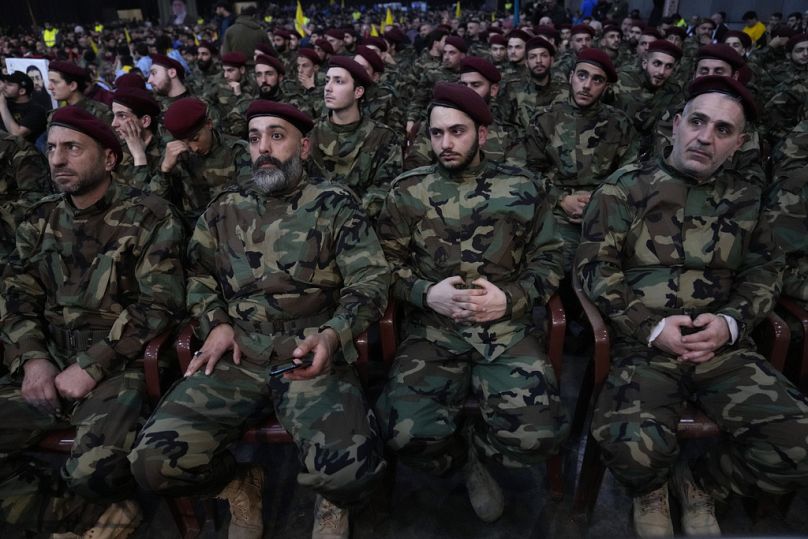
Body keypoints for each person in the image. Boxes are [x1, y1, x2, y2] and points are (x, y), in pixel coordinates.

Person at [129, 100, 389, 539]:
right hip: (239, 352)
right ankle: (239, 486)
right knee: (152, 464)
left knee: (351, 473)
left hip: (309, 354)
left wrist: (333, 335)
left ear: (303, 147)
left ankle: (333, 500)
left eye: (276, 136)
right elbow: (198, 274)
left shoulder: (335, 204)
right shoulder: (224, 207)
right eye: (253, 138)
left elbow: (371, 280)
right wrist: (217, 323)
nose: (263, 148)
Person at [576, 76, 808, 537]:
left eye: (723, 130)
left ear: (738, 143)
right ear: (677, 124)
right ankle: (651, 487)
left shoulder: (746, 199)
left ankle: (700, 483)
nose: (705, 137)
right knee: (630, 450)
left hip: (724, 350)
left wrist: (731, 323)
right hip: (643, 347)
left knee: (800, 446)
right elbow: (593, 269)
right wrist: (648, 327)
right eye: (698, 122)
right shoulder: (625, 189)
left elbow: (765, 271)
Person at [376, 82, 568, 523]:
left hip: (506, 329)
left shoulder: (521, 186)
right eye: (437, 133)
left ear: (482, 135)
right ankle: (464, 461)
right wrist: (426, 294)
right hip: (433, 330)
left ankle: (482, 441)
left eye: (457, 132)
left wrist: (513, 298)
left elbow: (552, 257)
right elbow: (382, 265)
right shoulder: (408, 191)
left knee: (538, 437)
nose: (446, 143)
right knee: (404, 434)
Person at [0, 106, 185, 537]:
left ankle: (93, 504)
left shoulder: (149, 215)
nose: (58, 159)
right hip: (46, 362)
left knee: (91, 472)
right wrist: (32, 359)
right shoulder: (38, 218)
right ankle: (85, 517)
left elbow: (159, 306)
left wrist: (92, 365)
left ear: (108, 159)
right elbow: (16, 296)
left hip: (119, 368)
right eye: (53, 149)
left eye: (73, 149)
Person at [518, 48, 637, 272]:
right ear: (571, 76)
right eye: (582, 75)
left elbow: (630, 175)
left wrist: (599, 202)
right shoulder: (545, 119)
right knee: (555, 265)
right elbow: (528, 172)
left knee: (615, 266)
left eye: (597, 80)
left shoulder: (619, 123)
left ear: (606, 87)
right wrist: (561, 199)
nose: (586, 85)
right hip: (557, 209)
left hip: (606, 209)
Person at [308, 57, 402, 223]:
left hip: (362, 225)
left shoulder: (383, 137)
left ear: (358, 92)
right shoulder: (310, 133)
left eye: (339, 81)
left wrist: (345, 215)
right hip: (313, 221)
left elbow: (384, 189)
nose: (328, 88)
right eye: (327, 80)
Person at [156, 96, 251, 225]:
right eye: (185, 143)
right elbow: (156, 207)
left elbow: (250, 200)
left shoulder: (238, 151)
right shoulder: (176, 156)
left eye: (195, 139)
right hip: (192, 230)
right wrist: (165, 170)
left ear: (209, 124)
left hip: (233, 224)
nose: (193, 148)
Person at [110, 86, 163, 191]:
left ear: (145, 121)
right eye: (114, 116)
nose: (114, 124)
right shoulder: (118, 153)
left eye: (122, 116)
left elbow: (147, 201)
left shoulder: (165, 153)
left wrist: (139, 157)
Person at [0, 71, 47, 144]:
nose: (4, 86)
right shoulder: (7, 101)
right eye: (5, 83)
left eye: (9, 84)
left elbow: (17, 133)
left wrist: (2, 106)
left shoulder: (36, 110)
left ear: (22, 91)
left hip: (23, 151)